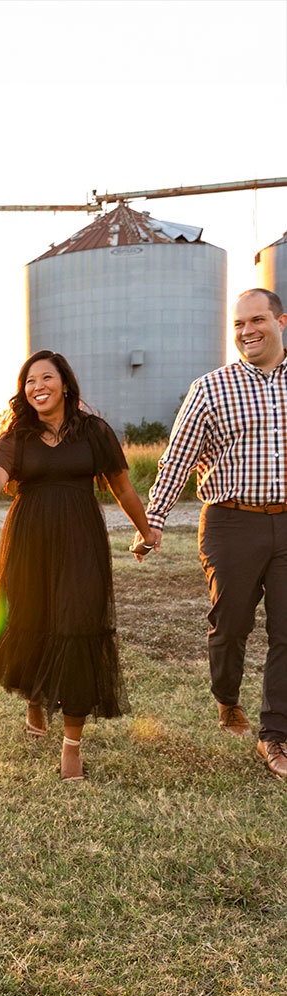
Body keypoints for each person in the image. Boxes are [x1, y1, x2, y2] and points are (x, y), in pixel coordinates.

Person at [0, 351, 156, 781]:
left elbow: (121, 485)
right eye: (29, 381)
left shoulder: (94, 431)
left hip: (81, 539)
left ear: (65, 384)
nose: (37, 387)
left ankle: (71, 746)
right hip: (30, 539)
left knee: (78, 627)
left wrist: (147, 530)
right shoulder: (18, 435)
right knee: (31, 620)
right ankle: (35, 694)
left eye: (46, 378)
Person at [132, 289, 287, 779]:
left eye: (257, 320)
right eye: (239, 324)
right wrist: (152, 521)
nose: (247, 331)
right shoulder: (211, 389)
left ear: (281, 321)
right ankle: (226, 699)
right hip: (229, 520)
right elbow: (176, 458)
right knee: (231, 623)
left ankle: (274, 736)